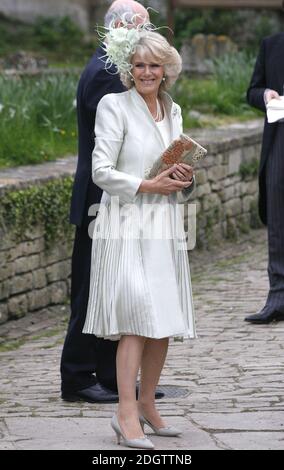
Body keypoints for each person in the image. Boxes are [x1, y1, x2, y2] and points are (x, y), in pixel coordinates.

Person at [83, 25, 197, 449]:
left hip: (164, 223)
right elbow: (101, 170)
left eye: (154, 65)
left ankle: (149, 404)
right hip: (126, 223)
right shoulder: (114, 105)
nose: (147, 72)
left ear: (167, 70)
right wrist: (148, 186)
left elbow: (177, 167)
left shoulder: (174, 109)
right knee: (134, 319)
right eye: (139, 65)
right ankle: (125, 413)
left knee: (161, 320)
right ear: (128, 69)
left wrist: (184, 177)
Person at [60, 1, 164, 404]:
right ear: (121, 28)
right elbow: (115, 145)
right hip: (100, 200)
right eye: (143, 27)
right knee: (90, 289)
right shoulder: (107, 73)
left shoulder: (113, 66)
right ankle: (77, 378)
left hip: (114, 198)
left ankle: (108, 376)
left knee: (111, 287)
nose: (148, 33)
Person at [245, 28, 284, 325]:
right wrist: (265, 94)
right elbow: (252, 90)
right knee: (277, 221)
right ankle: (277, 297)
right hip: (279, 139)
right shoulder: (270, 44)